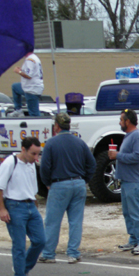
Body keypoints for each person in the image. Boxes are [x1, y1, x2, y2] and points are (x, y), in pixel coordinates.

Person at [37, 113, 96, 265]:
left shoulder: (51, 143)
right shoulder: (80, 142)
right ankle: (73, 253)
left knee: (52, 221)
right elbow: (92, 164)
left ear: (56, 126)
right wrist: (84, 180)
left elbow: (44, 167)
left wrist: (47, 183)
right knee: (75, 221)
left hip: (59, 184)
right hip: (78, 183)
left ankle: (49, 253)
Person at [0, 137, 45, 276]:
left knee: (40, 240)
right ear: (23, 150)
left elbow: (32, 187)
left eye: (38, 154)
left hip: (30, 204)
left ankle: (22, 268)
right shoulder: (10, 163)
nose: (36, 158)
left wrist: (34, 202)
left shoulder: (30, 165)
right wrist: (2, 209)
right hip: (15, 206)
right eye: (33, 154)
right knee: (19, 245)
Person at [110, 109, 139, 255]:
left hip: (134, 181)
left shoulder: (137, 136)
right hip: (126, 181)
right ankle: (134, 239)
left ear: (128, 121)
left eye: (121, 120)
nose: (120, 122)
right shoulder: (128, 136)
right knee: (127, 213)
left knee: (135, 213)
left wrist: (118, 155)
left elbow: (138, 157)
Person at [11, 52, 44, 117]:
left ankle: (37, 125)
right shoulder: (33, 57)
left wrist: (19, 72)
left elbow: (29, 75)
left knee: (34, 114)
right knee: (15, 87)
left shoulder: (30, 59)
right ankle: (18, 110)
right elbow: (31, 72)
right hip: (30, 87)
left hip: (32, 89)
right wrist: (22, 70)